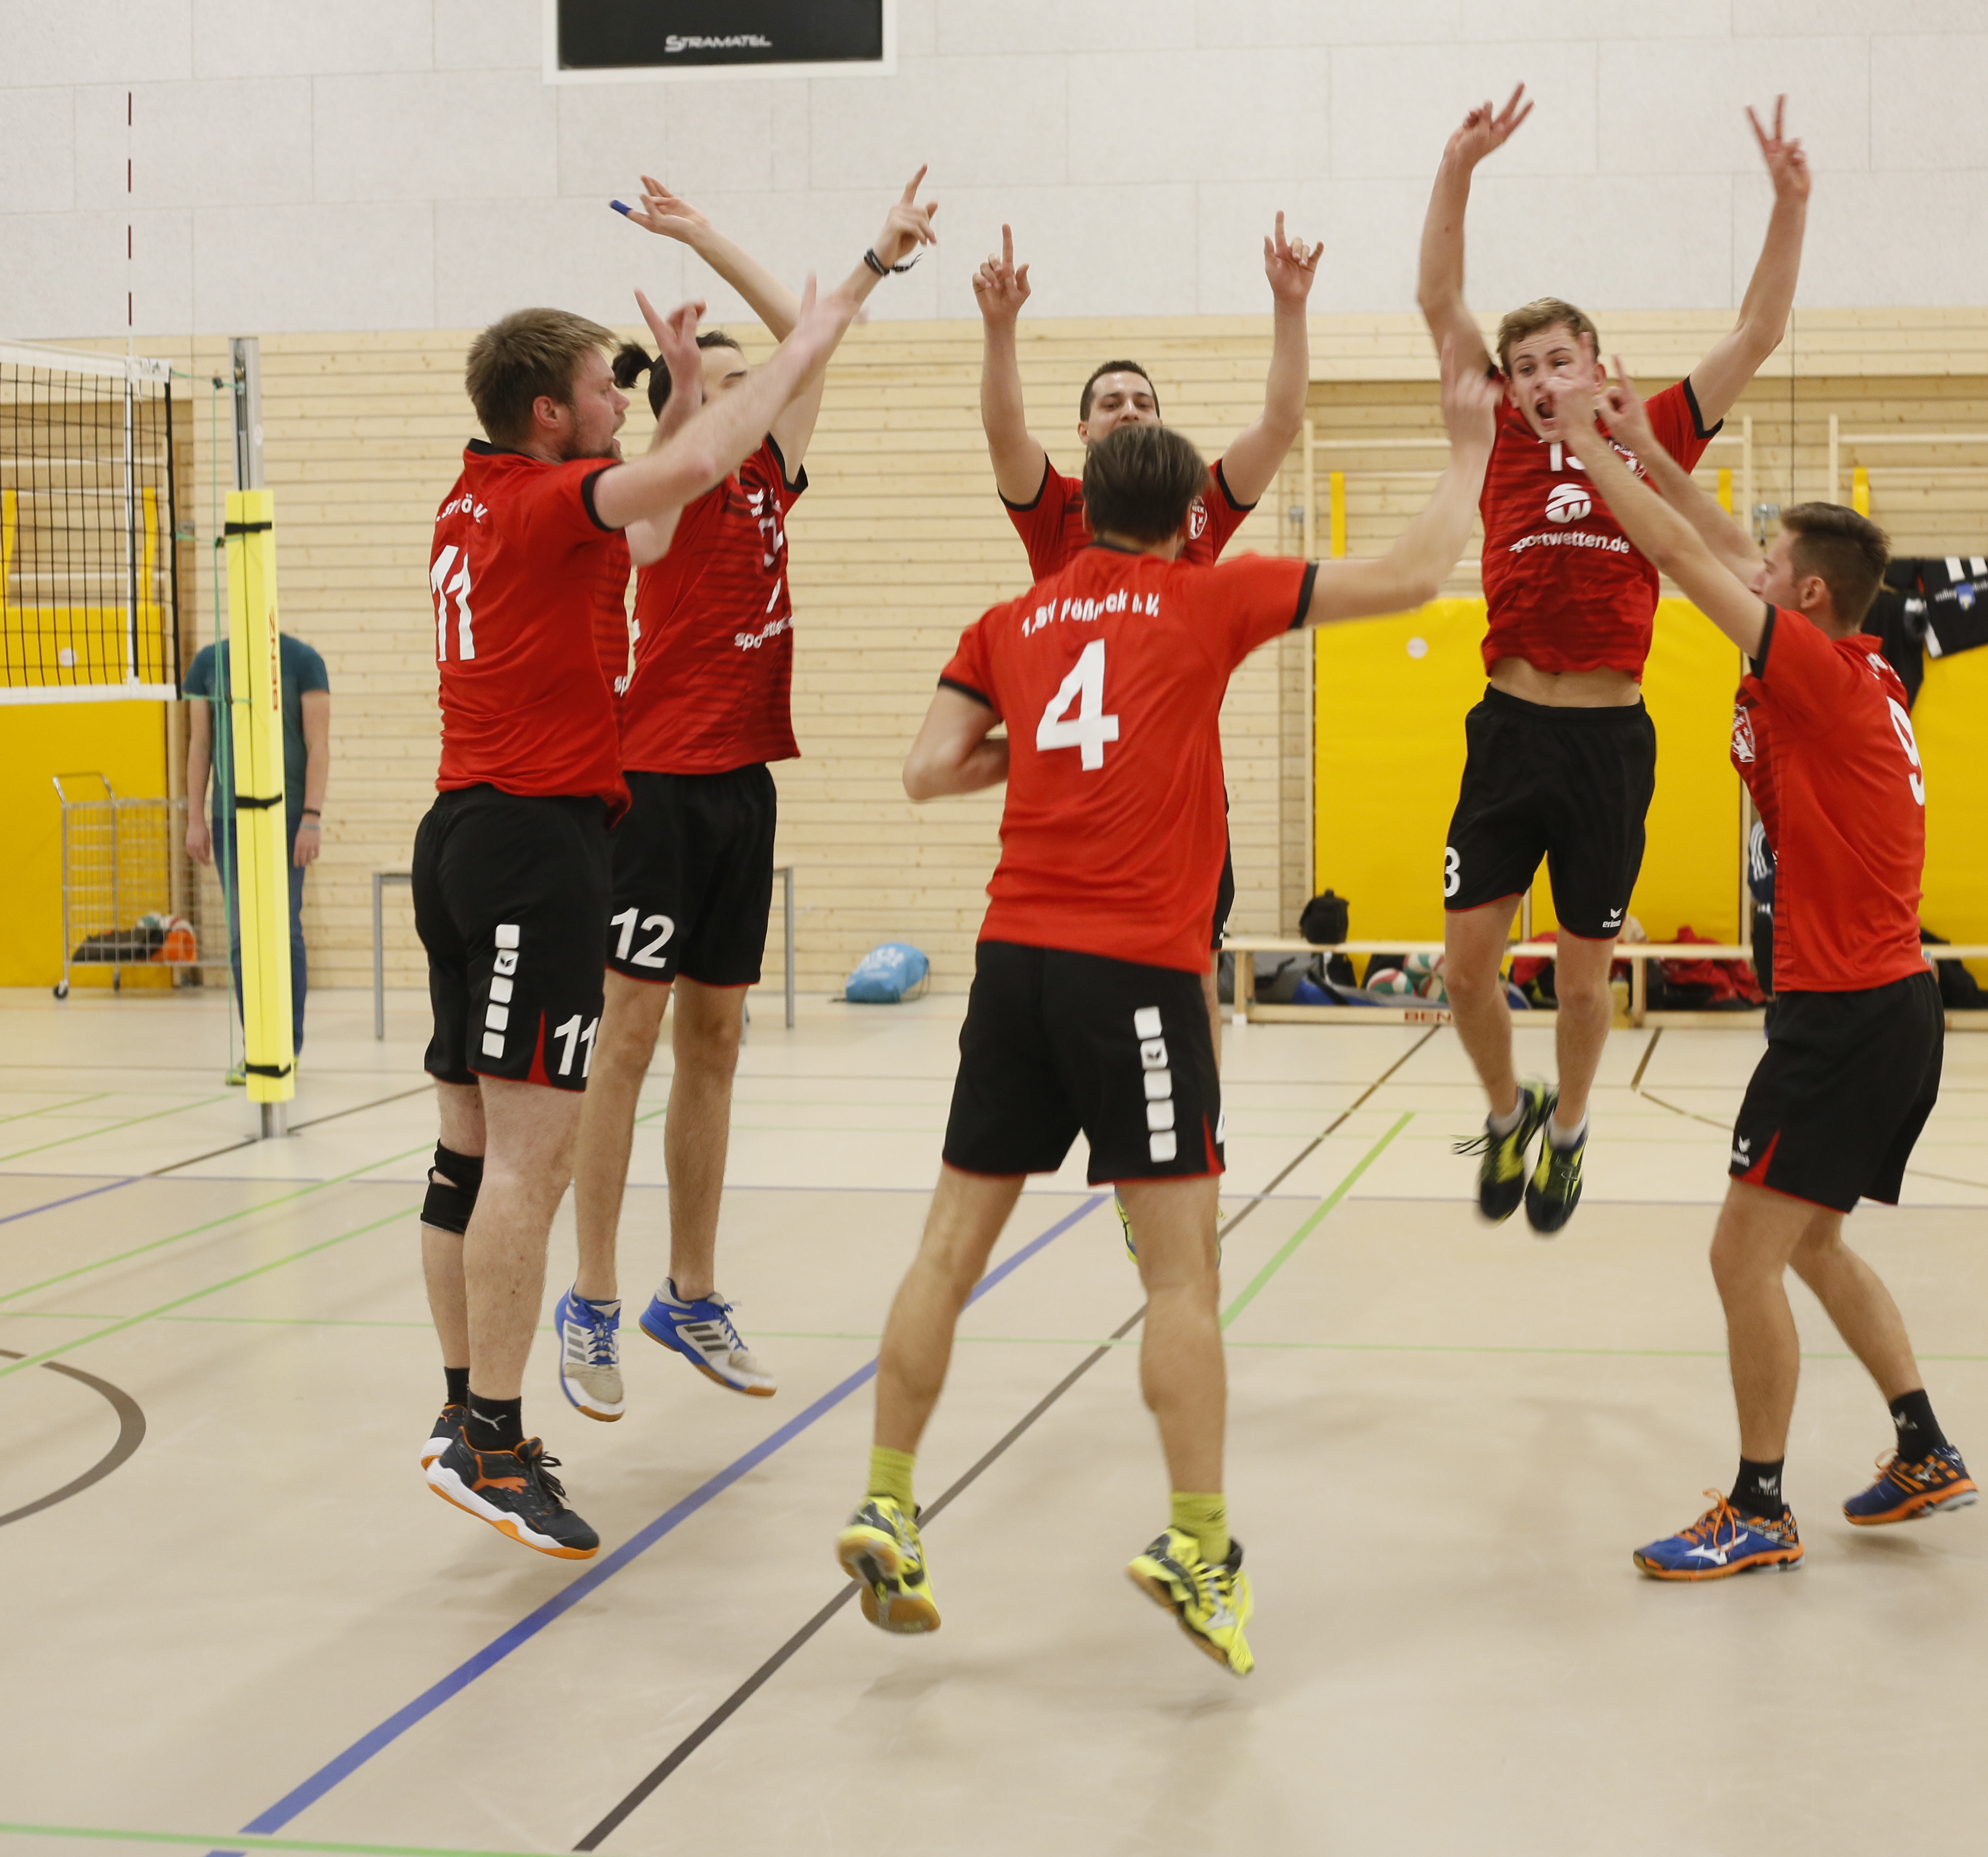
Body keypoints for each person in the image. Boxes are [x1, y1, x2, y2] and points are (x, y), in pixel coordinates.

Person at [833, 362, 1501, 1676]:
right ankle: (1200, 1541)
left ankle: (889, 1499)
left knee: (944, 1255)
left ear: (1082, 508)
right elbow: (1422, 570)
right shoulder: (1214, 595)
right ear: (1193, 504)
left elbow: (925, 773)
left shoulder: (1011, 621)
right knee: (1183, 1277)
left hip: (1013, 958)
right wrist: (1470, 446)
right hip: (1135, 972)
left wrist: (1043, 748)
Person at [411, 253, 869, 1562]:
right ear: (550, 415)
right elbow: (676, 479)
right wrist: (787, 350)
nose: (624, 399)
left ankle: (463, 1416)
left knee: (464, 1153)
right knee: (525, 1157)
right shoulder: (555, 500)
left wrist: (674, 395)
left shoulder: (472, 492)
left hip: (467, 829)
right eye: (607, 386)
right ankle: (495, 1438)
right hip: (534, 846)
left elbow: (664, 489)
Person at [1544, 363, 1972, 1582]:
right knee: (1812, 1243)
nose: (1756, 573)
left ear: (1809, 596)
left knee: (1741, 1252)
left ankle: (1757, 1505)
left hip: (1844, 1016)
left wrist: (1587, 449)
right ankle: (1921, 1444)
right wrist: (1643, 441)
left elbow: (1685, 565)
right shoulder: (1862, 661)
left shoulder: (1817, 676)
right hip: (1891, 1007)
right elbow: (1727, 547)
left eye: (1775, 574)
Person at [555, 174, 939, 1425]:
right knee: (627, 1042)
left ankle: (691, 1291)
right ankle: (595, 1298)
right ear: (682, 404)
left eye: (747, 377)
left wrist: (726, 238)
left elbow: (816, 330)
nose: (752, 387)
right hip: (651, 788)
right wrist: (679, 396)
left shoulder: (772, 472)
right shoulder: (661, 490)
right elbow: (655, 538)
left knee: (715, 1046)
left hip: (741, 789)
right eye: (720, 382)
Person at [1417, 88, 1810, 1234]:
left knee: (1583, 979)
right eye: (1524, 365)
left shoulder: (1651, 431)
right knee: (1462, 969)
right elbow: (1439, 297)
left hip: (1604, 740)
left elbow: (1756, 333)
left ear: (1596, 365)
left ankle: (1571, 1130)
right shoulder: (1494, 430)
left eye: (1558, 359)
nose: (1541, 379)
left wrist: (1786, 203)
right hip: (1506, 728)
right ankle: (1505, 1115)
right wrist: (1458, 168)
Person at [975, 213, 1321, 1255]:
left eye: (1142, 401)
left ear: (1162, 430)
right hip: (1078, 809)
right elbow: (1003, 436)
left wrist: (1289, 308)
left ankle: (1177, 1161)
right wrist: (1000, 330)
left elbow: (1278, 421)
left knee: (1190, 980)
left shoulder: (1198, 514)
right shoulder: (1060, 514)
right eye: (1108, 403)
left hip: (1180, 804)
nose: (1126, 411)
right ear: (1082, 434)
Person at [182, 628, 328, 1068]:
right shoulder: (208, 664)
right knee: (242, 937)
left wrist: (312, 818)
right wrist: (195, 818)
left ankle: (290, 1045)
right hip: (230, 821)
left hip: (285, 820)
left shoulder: (302, 660)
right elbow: (200, 746)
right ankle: (257, 1049)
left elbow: (318, 745)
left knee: (284, 930)